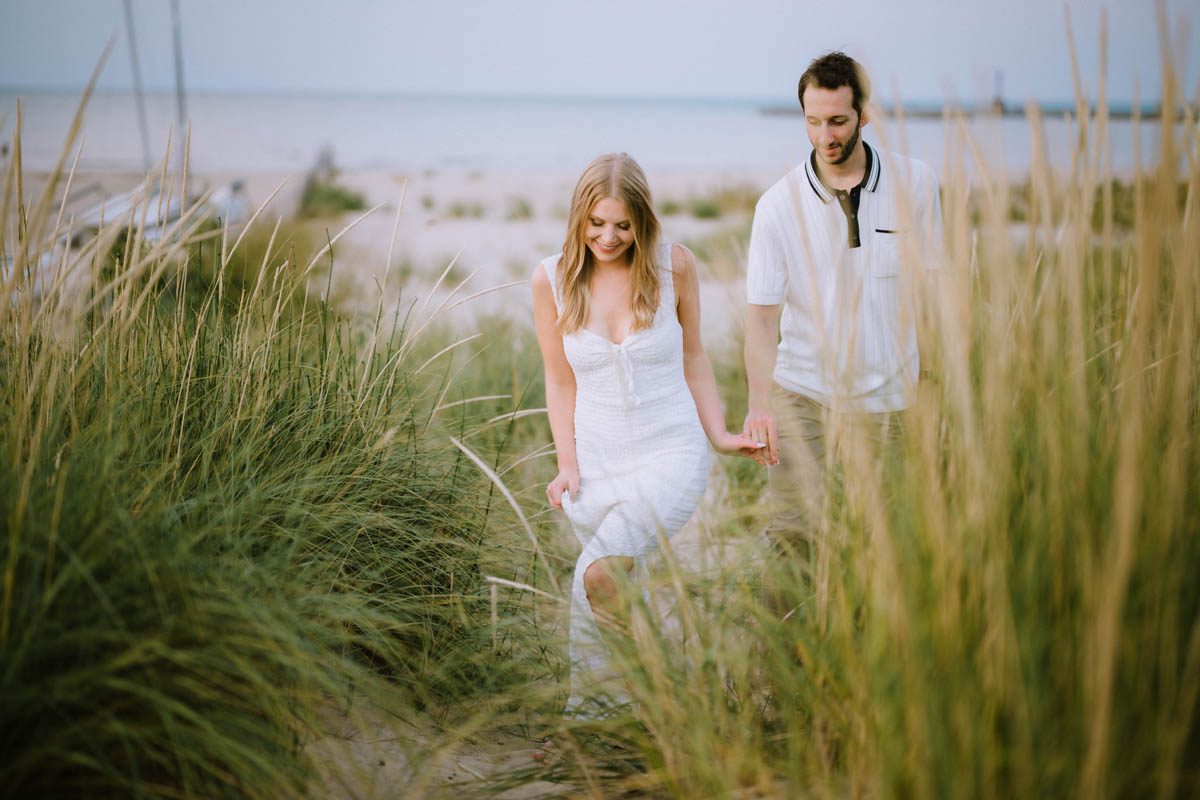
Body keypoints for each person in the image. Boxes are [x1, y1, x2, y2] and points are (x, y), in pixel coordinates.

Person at [531, 152, 763, 721]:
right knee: (611, 593)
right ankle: (604, 719)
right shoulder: (552, 280)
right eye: (596, 222)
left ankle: (662, 710)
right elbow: (558, 382)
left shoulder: (673, 267)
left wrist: (720, 435)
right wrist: (567, 463)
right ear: (578, 218)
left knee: (600, 575)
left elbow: (694, 357)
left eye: (622, 225)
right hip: (598, 464)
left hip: (671, 451)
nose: (608, 237)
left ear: (642, 222)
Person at [742, 52, 943, 605]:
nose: (825, 135)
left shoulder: (917, 184)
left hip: (892, 402)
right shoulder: (776, 206)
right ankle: (779, 679)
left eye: (837, 120)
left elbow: (930, 297)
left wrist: (936, 388)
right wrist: (760, 404)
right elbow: (760, 319)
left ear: (863, 114)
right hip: (803, 396)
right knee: (793, 544)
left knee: (890, 549)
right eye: (813, 121)